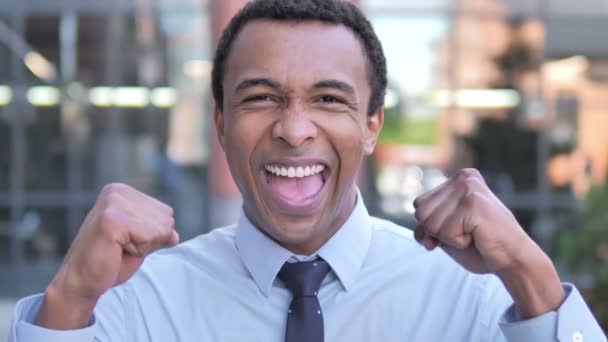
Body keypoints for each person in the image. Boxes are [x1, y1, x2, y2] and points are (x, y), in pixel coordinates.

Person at [9, 0, 606, 341]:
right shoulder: (134, 303)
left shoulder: (477, 299)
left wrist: (532, 275)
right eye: (261, 97)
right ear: (219, 122)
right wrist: (68, 298)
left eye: (328, 99)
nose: (294, 129)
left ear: (372, 125)